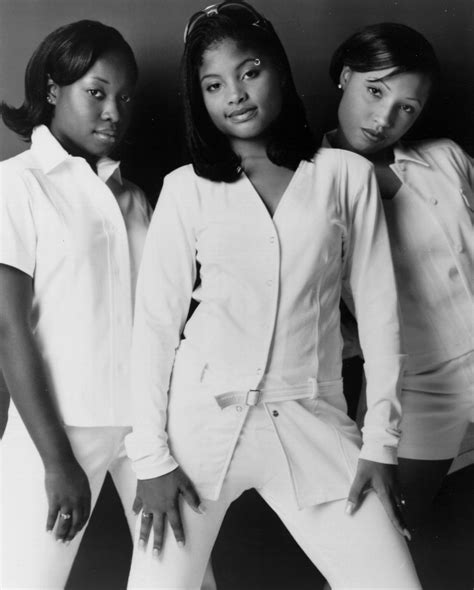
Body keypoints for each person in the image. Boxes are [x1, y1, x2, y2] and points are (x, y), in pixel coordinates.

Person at [124, 3, 422, 589]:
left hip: (315, 419)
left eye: (249, 72)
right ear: (200, 98)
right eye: (213, 85)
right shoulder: (185, 190)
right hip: (197, 431)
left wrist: (381, 444)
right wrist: (151, 459)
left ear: (279, 72)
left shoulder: (344, 176)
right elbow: (155, 327)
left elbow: (381, 315)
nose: (234, 94)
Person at [0, 20, 152, 589]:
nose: (113, 111)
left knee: (182, 577)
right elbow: (8, 328)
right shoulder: (15, 185)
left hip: (147, 431)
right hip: (58, 429)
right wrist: (56, 460)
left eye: (124, 98)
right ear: (51, 89)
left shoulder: (132, 197)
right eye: (96, 92)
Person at [325, 19, 473, 566]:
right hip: (418, 387)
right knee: (375, 547)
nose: (385, 118)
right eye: (375, 91)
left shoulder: (446, 159)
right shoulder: (310, 185)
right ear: (346, 76)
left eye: (406, 107)